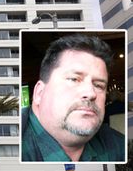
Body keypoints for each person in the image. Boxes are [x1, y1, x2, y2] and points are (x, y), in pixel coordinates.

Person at [22, 34, 125, 162]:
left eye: (98, 85)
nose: (91, 93)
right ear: (39, 93)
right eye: (74, 79)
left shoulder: (119, 146)